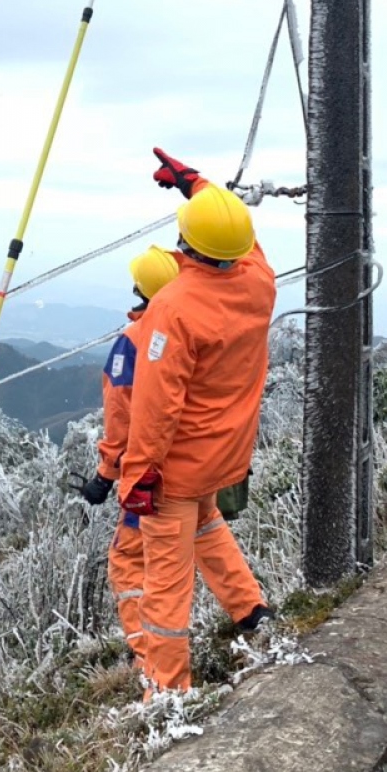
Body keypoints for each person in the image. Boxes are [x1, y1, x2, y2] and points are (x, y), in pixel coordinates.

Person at [118, 149, 277, 695]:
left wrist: (137, 476)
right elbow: (242, 239)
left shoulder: (175, 307)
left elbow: (155, 408)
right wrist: (196, 184)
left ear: (185, 243)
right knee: (208, 527)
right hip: (225, 460)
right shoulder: (259, 281)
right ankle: (252, 613)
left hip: (177, 470)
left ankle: (166, 690)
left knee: (164, 581)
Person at [77, 246, 182, 665]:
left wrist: (104, 476)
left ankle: (149, 655)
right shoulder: (188, 327)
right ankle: (246, 613)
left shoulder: (134, 342)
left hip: (148, 476)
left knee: (129, 561)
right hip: (196, 466)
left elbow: (121, 415)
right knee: (183, 555)